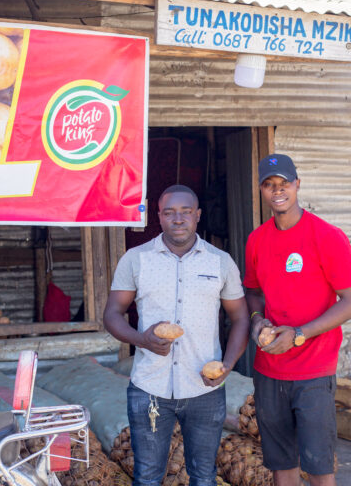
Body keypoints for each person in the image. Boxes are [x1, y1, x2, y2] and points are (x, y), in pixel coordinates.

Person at [103, 184, 249, 486]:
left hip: (204, 390)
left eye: (185, 212)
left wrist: (228, 366)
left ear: (197, 216)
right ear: (159, 216)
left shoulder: (219, 261)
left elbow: (240, 318)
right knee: (147, 477)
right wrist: (141, 339)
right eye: (169, 212)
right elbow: (112, 314)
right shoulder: (136, 259)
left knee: (204, 477)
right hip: (149, 387)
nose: (178, 219)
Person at [244, 154, 351, 486]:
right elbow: (252, 292)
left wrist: (299, 333)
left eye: (284, 184)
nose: (277, 191)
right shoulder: (257, 240)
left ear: (297, 185)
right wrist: (256, 322)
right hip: (269, 370)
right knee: (282, 467)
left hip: (314, 370)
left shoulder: (326, 236)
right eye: (269, 185)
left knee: (319, 468)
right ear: (261, 190)